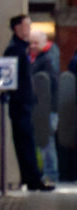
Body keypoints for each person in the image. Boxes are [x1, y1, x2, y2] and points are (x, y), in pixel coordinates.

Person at [7, 15, 46, 192]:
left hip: (23, 102)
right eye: (27, 25)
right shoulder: (15, 50)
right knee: (25, 142)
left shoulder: (21, 49)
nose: (29, 28)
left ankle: (31, 178)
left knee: (27, 141)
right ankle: (32, 180)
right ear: (17, 28)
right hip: (20, 103)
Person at [36, 31, 63, 187]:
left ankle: (50, 174)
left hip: (47, 107)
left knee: (46, 140)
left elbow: (49, 84)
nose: (31, 46)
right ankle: (49, 173)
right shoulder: (44, 57)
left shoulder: (47, 59)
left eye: (34, 43)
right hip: (47, 106)